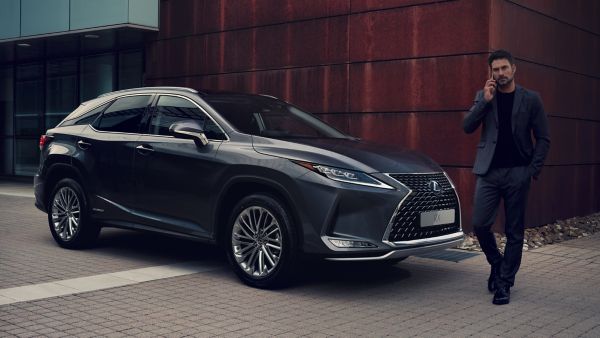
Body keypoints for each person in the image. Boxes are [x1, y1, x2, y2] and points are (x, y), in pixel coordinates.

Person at [463, 49, 550, 305]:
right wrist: (484, 101)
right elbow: (467, 126)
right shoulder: (485, 96)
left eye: (504, 68)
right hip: (489, 172)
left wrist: (531, 171)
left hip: (518, 173)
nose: (500, 74)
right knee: (479, 224)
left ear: (514, 69)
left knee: (514, 231)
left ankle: (504, 283)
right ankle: (497, 263)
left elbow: (543, 138)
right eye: (495, 70)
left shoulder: (531, 99)